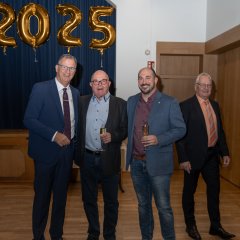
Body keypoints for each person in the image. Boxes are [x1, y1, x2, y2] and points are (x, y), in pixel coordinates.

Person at [24, 54, 80, 240]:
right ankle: (38, 236)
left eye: (72, 68)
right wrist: (54, 135)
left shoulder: (76, 93)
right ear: (56, 68)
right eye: (64, 67)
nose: (68, 71)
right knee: (42, 199)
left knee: (60, 200)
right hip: (45, 155)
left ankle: (57, 235)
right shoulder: (40, 89)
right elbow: (29, 119)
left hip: (66, 155)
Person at [126, 67, 186, 240]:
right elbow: (126, 128)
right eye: (140, 78)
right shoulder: (131, 101)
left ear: (155, 80)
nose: (144, 81)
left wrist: (159, 139)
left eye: (147, 77)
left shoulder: (169, 102)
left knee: (164, 207)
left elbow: (181, 129)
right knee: (143, 206)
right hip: (137, 163)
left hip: (159, 164)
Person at [176, 72, 236, 240]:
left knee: (214, 191)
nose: (206, 88)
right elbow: (180, 136)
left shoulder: (215, 106)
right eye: (203, 85)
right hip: (192, 158)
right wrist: (183, 158)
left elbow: (219, 131)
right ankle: (191, 226)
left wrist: (224, 152)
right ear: (196, 87)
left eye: (209, 86)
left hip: (211, 156)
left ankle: (215, 226)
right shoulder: (185, 106)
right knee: (189, 192)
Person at [74, 70, 127, 240]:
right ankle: (93, 232)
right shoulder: (81, 102)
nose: (99, 84)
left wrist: (114, 136)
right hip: (87, 158)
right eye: (95, 81)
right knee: (89, 200)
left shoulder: (120, 104)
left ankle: (109, 234)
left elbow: (124, 129)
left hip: (109, 159)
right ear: (90, 84)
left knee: (111, 202)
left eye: (103, 81)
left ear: (109, 83)